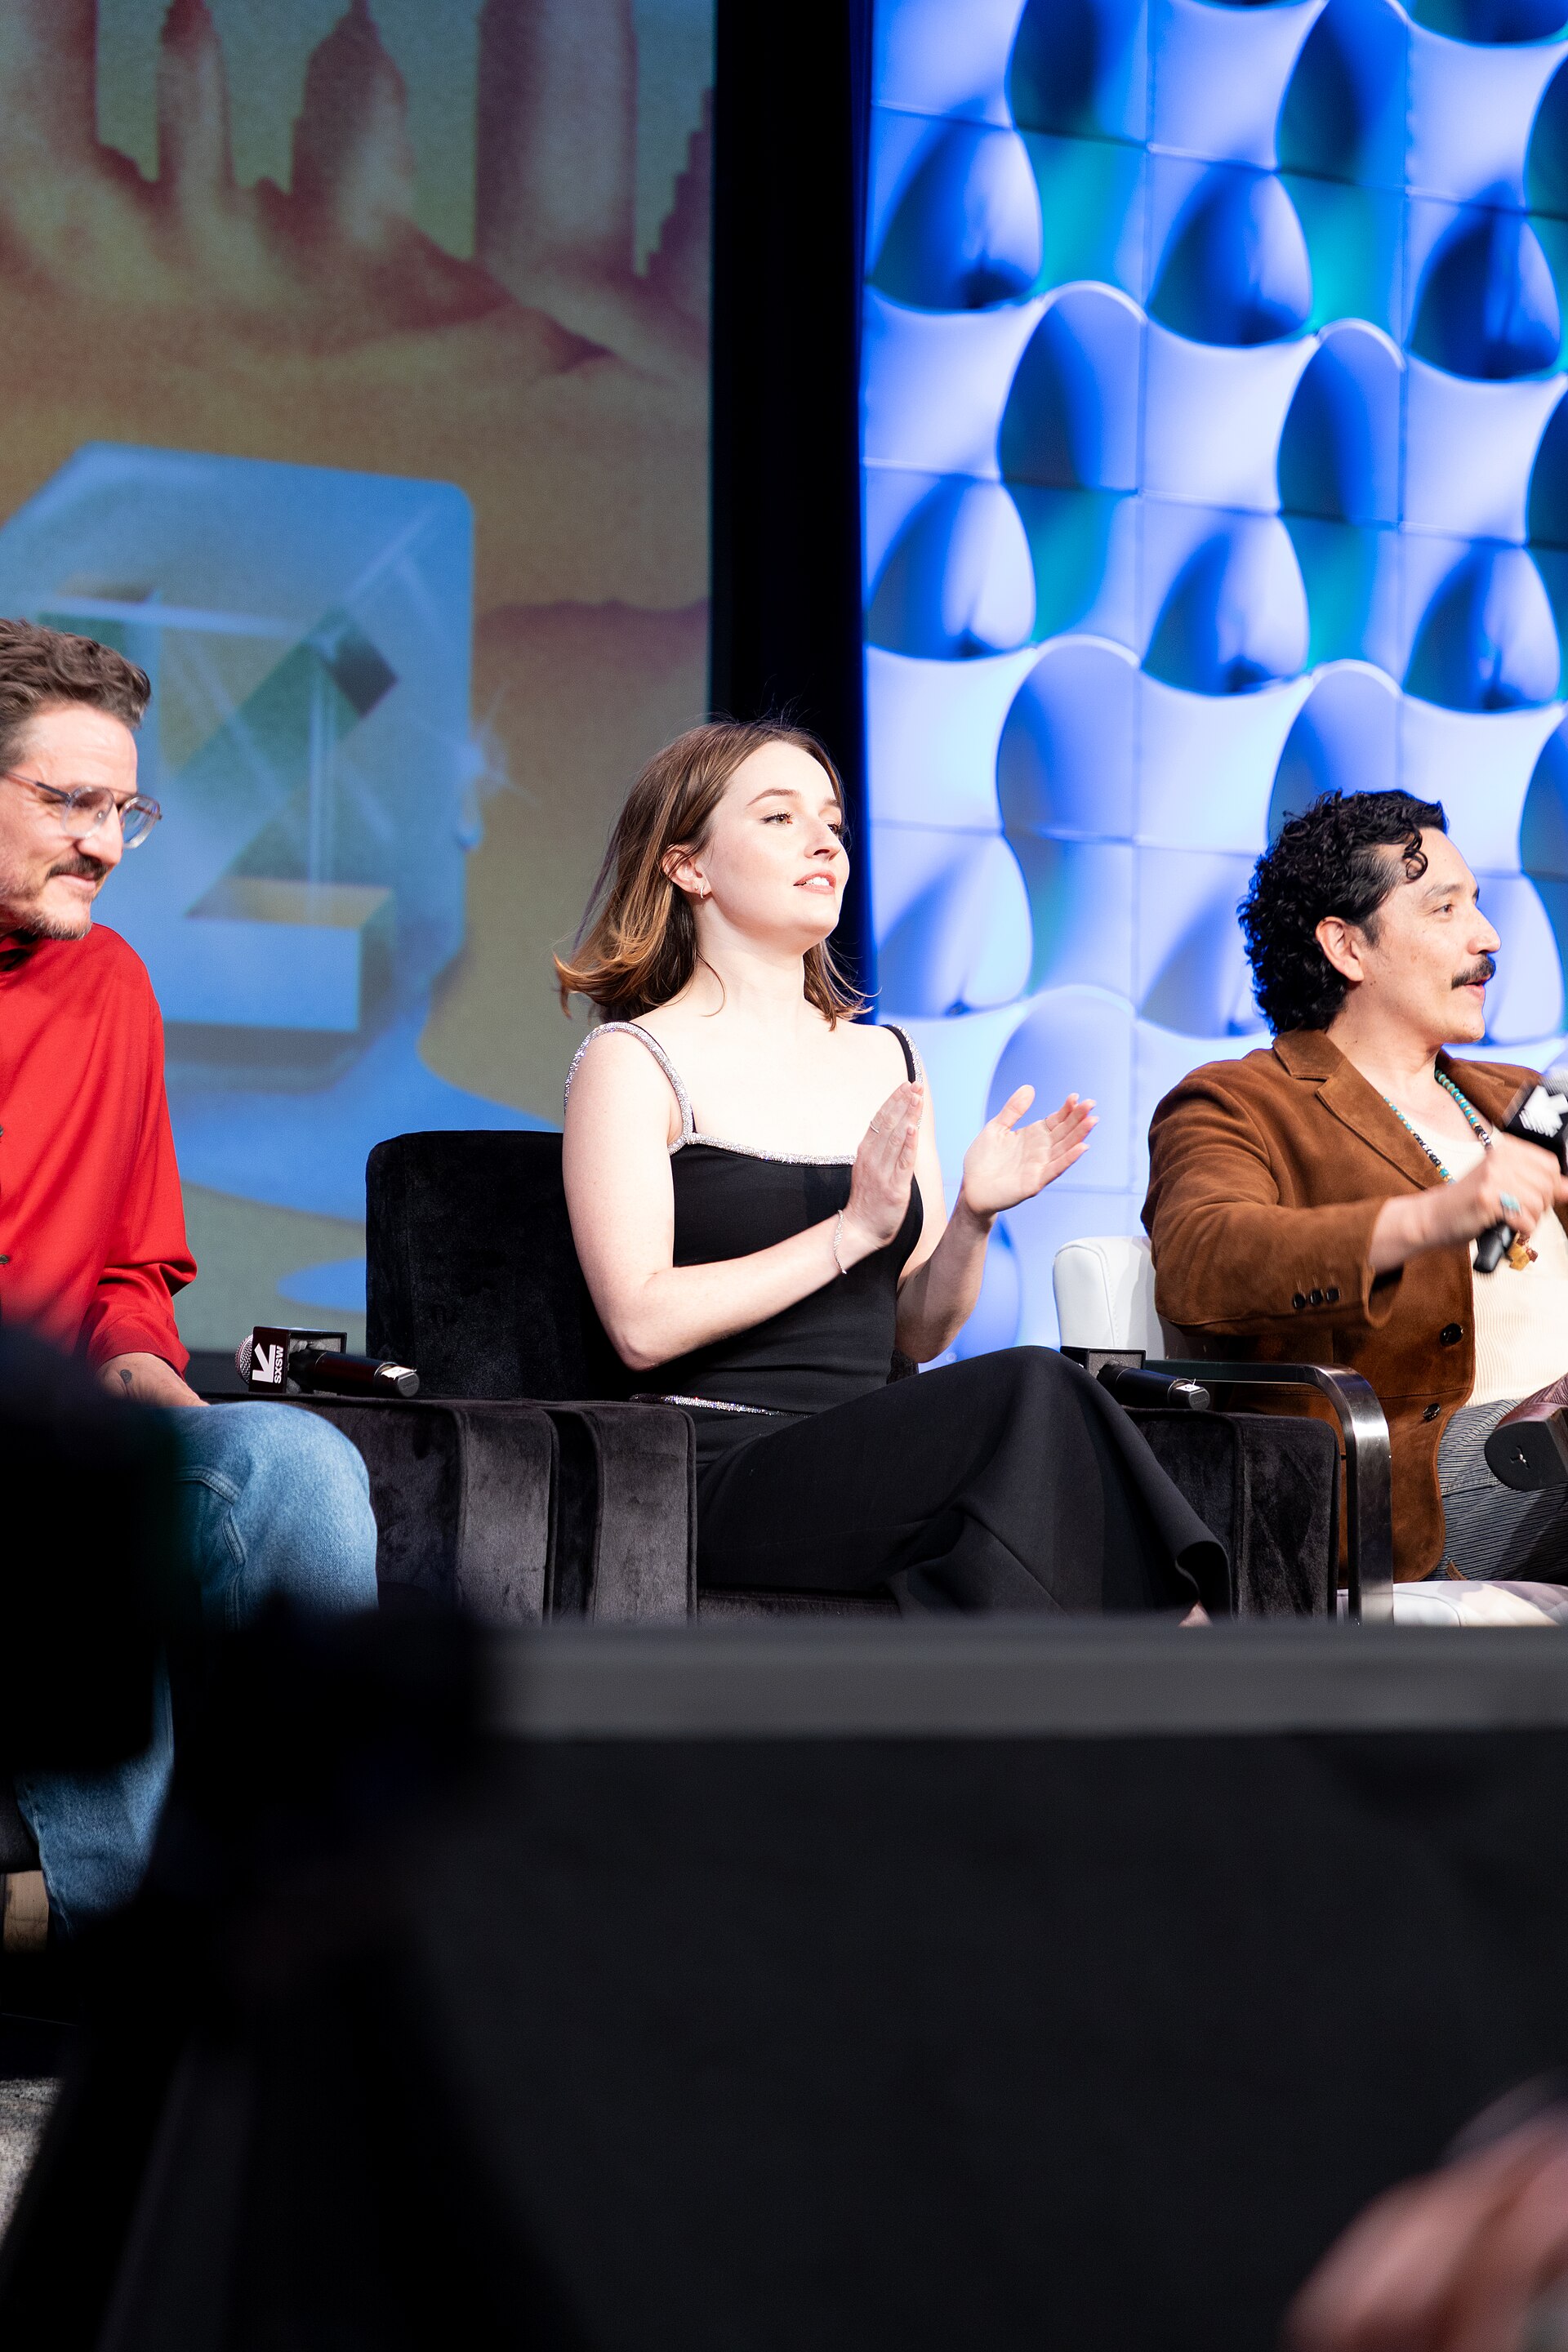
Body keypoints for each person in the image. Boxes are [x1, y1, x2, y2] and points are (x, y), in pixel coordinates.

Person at [555, 718, 1226, 1616]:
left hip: (867, 1447)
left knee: (1028, 1455)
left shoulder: (887, 1058)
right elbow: (639, 1322)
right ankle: (1185, 1647)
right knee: (1035, 1386)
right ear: (689, 866)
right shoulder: (632, 1061)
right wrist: (847, 1234)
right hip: (709, 1466)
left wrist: (975, 1222)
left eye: (830, 820)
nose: (824, 840)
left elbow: (915, 1336)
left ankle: (1105, 1686)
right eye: (780, 818)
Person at [0, 617, 378, 1935]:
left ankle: (341, 1897)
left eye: (125, 811)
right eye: (68, 803)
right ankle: (108, 1900)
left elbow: (124, 1275)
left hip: (57, 1440)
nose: (104, 845)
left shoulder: (113, 989)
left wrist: (150, 1379)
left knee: (296, 1466)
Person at [1143, 788, 1568, 1598]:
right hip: (1414, 1486)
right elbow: (1205, 1260)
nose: (1489, 937)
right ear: (1346, 947)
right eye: (1446, 910)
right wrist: (1432, 1215)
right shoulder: (1242, 1104)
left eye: (1478, 905)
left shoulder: (1523, 1100)